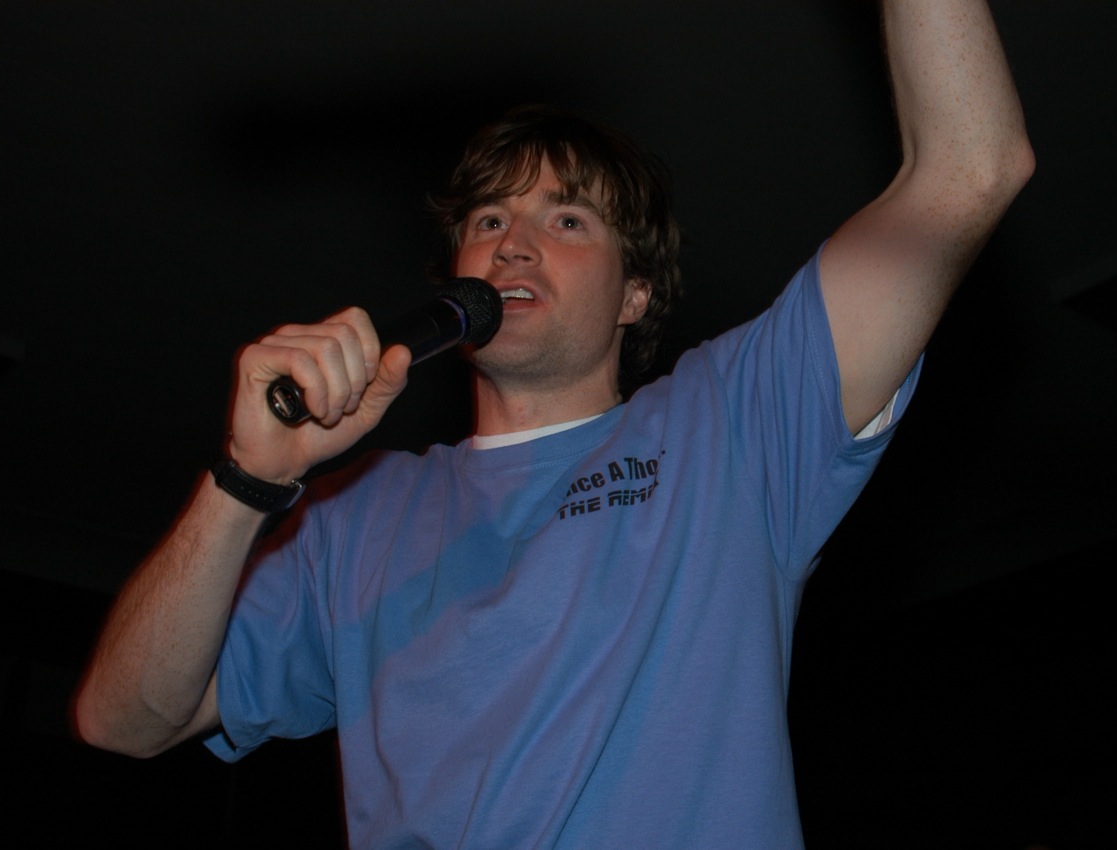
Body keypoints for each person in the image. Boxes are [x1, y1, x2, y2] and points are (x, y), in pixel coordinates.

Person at [76, 1, 1033, 846]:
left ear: (635, 295)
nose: (515, 245)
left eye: (568, 220)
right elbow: (122, 721)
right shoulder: (352, 516)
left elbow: (970, 169)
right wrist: (245, 483)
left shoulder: (733, 425)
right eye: (488, 221)